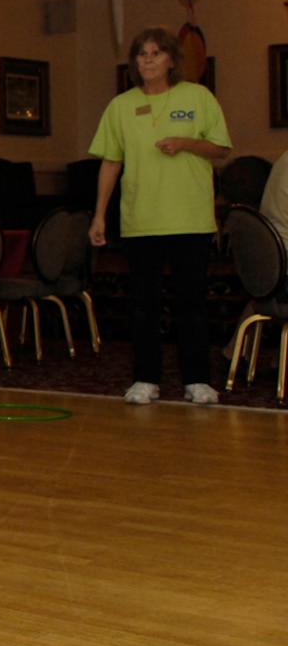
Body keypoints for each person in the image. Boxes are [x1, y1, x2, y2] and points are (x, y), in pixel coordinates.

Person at [89, 26, 231, 406]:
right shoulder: (120, 106)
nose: (147, 60)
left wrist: (185, 143)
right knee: (143, 305)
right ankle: (145, 379)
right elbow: (110, 163)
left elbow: (220, 148)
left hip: (190, 219)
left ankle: (197, 380)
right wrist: (99, 215)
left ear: (171, 59)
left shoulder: (198, 97)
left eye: (155, 53)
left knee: (192, 304)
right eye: (141, 54)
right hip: (141, 219)